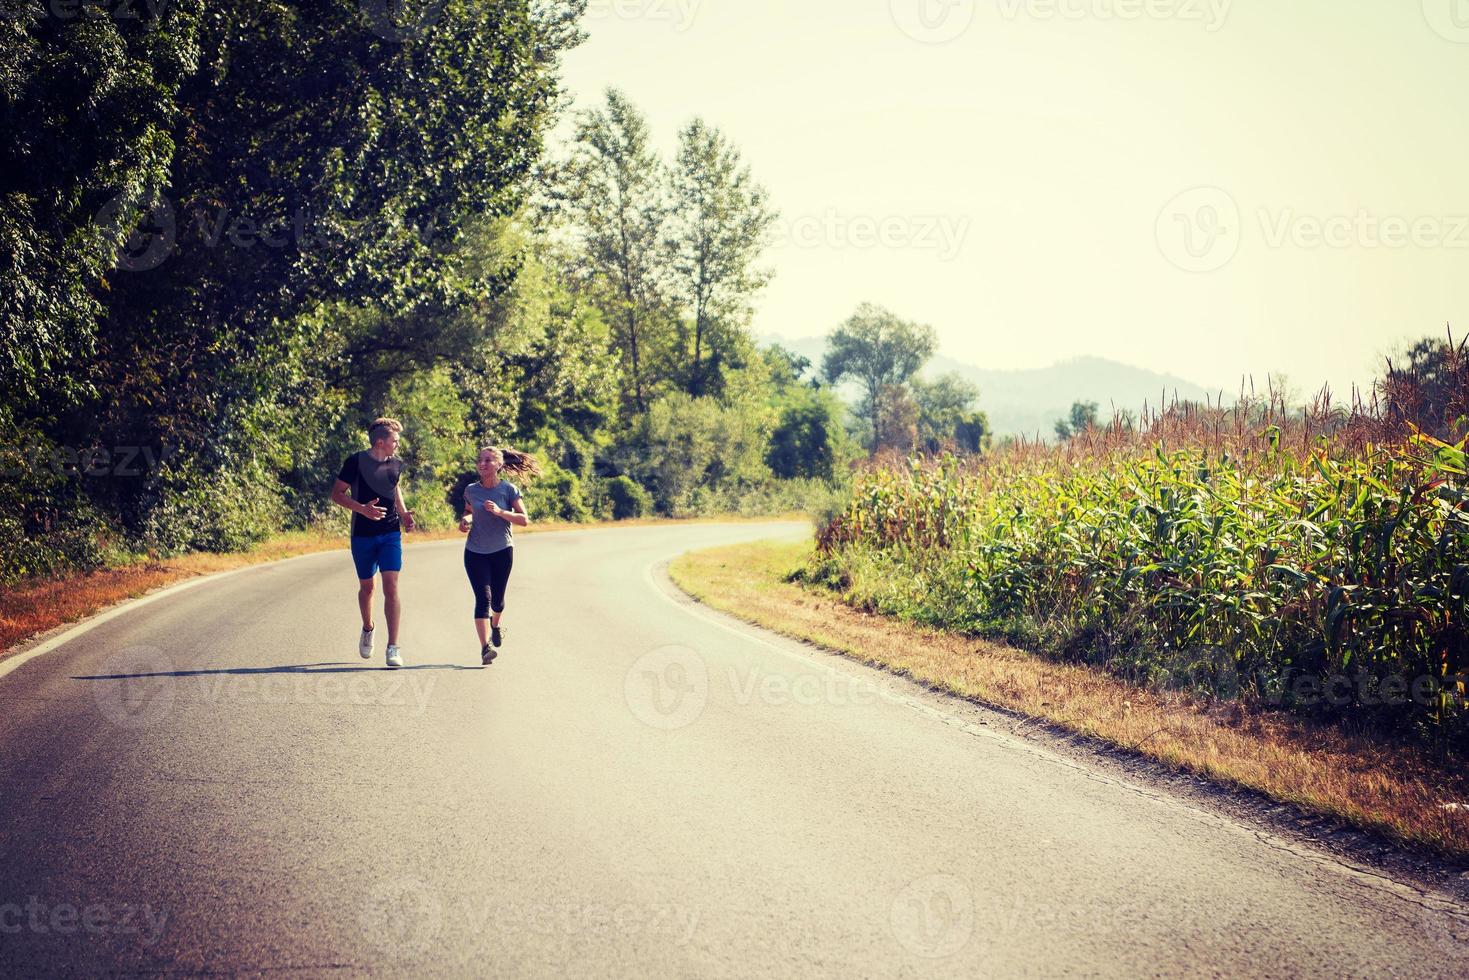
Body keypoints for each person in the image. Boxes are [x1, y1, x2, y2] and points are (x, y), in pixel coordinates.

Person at [331, 418, 417, 669]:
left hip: (390, 532)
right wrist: (361, 510)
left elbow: (395, 489)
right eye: (395, 441)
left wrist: (403, 514)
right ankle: (368, 628)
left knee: (391, 586)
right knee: (368, 588)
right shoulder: (355, 462)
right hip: (363, 534)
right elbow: (337, 494)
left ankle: (393, 647)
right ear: (381, 442)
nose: (398, 446)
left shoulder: (396, 464)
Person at [460, 446, 538, 665]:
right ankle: (485, 648)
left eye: (488, 460)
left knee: (498, 602)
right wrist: (466, 520)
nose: (482, 464)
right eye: (479, 460)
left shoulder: (508, 490)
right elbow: (469, 511)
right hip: (475, 552)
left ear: (499, 465)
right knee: (482, 599)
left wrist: (500, 512)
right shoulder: (471, 490)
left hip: (502, 551)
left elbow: (524, 519)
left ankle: (495, 625)